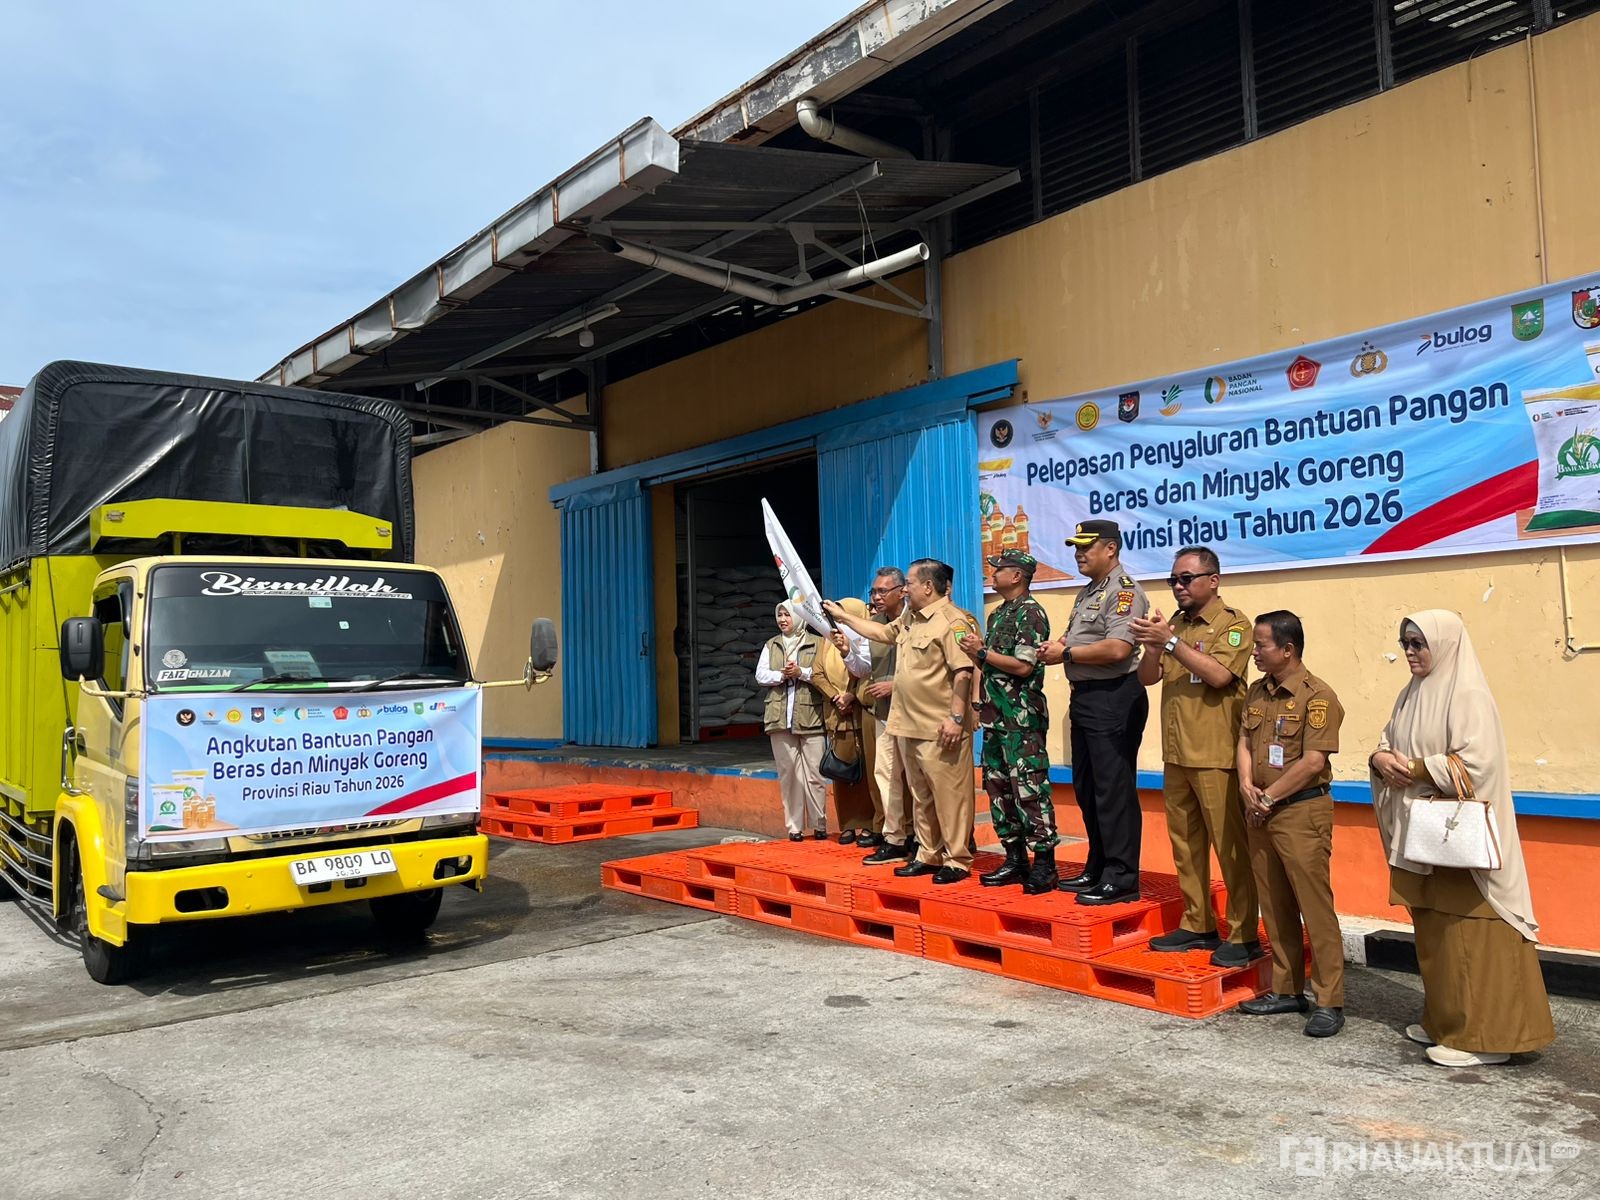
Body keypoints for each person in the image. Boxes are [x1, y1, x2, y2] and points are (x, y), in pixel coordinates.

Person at [1369, 611, 1554, 1068]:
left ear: (1445, 644)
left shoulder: (1467, 693)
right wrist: (1378, 759)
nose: (1410, 651)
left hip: (1461, 842)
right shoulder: (1411, 693)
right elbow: (1388, 740)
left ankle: (1488, 1037)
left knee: (1476, 936)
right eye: (1405, 643)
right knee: (1437, 934)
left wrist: (1410, 769)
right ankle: (1447, 1022)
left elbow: (1477, 764)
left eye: (1418, 643)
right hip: (1426, 839)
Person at [1131, 546, 1260, 966]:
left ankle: (1242, 933)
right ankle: (1197, 922)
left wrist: (1169, 642)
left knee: (1230, 848)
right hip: (1178, 753)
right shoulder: (1175, 624)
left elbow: (1220, 675)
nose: (1178, 587)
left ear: (1213, 580)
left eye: (1186, 579)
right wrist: (1153, 647)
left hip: (1216, 754)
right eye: (1174, 580)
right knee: (1185, 845)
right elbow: (1148, 678)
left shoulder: (1233, 624)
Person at [825, 559, 979, 883]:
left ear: (928, 586)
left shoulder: (954, 621)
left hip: (940, 727)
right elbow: (881, 632)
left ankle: (957, 859)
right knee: (921, 796)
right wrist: (843, 617)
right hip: (908, 723)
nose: (905, 589)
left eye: (909, 583)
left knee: (950, 797)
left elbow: (964, 672)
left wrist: (957, 717)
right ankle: (928, 853)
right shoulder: (910, 618)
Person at [1234, 611, 1346, 1038]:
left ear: (1288, 649)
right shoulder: (1258, 693)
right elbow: (1244, 741)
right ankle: (1286, 989)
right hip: (1259, 810)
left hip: (1300, 811)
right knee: (1274, 903)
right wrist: (1246, 784)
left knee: (1314, 906)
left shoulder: (1317, 698)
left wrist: (1268, 796)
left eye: (1261, 645)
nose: (1255, 652)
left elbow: (1314, 761)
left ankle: (1329, 999)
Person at [1038, 520, 1149, 906]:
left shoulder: (1124, 593)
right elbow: (1081, 638)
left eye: (1087, 547)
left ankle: (1121, 877)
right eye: (1075, 548)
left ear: (1111, 550)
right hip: (1086, 697)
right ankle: (1099, 865)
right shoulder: (1089, 592)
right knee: (1088, 788)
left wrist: (1065, 654)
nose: (1079, 554)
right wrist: (1060, 645)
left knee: (1112, 788)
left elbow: (1119, 649)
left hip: (1114, 696)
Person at [956, 549, 1059, 893]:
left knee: (1029, 788)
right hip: (995, 716)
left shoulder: (1030, 614)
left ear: (1017, 576)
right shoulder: (998, 614)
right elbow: (993, 667)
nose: (993, 574)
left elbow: (1023, 665)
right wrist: (979, 663)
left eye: (999, 570)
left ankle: (1044, 864)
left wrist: (982, 652)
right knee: (998, 788)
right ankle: (1014, 859)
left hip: (1021, 717)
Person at [851, 568, 916, 858]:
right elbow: (864, 668)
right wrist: (846, 652)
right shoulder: (873, 626)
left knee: (917, 780)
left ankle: (921, 838)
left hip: (914, 713)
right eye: (873, 592)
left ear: (901, 591)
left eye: (882, 591)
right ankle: (894, 838)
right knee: (886, 775)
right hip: (883, 713)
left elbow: (929, 671)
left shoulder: (916, 620)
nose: (876, 597)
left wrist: (896, 685)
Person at [755, 601, 828, 841]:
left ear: (799, 618)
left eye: (788, 615)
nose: (783, 619)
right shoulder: (772, 644)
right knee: (789, 774)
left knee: (815, 774)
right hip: (779, 717)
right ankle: (794, 827)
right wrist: (781, 675)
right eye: (780, 615)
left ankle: (819, 824)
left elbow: (824, 673)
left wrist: (801, 673)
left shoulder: (817, 643)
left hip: (811, 716)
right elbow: (760, 674)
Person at [815, 598, 875, 844]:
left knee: (867, 773)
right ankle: (848, 825)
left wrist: (852, 696)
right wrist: (835, 697)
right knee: (842, 773)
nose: (840, 621)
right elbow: (818, 672)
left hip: (862, 712)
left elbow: (869, 673)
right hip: (836, 714)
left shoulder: (870, 638)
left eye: (844, 615)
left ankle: (871, 824)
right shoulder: (829, 640)